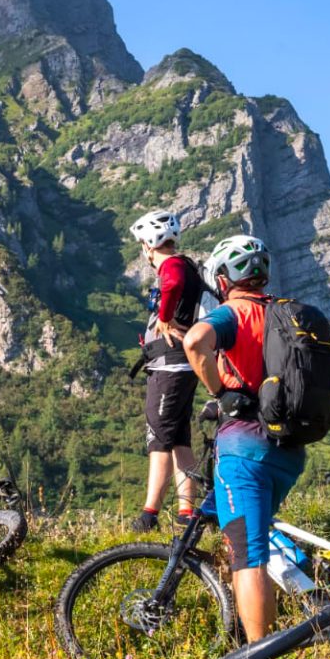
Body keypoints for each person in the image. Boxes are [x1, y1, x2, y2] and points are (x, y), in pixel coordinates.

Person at [183, 234, 305, 643]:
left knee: (247, 557)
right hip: (288, 450)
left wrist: (220, 392)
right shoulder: (285, 315)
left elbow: (194, 341)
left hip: (244, 447)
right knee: (248, 532)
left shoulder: (233, 312)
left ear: (222, 278)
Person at [128, 210, 205, 532]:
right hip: (183, 365)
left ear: (148, 244)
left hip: (169, 366)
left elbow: (171, 283)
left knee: (158, 440)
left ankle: (149, 516)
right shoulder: (188, 264)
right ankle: (187, 513)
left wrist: (164, 314)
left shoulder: (171, 265)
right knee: (179, 441)